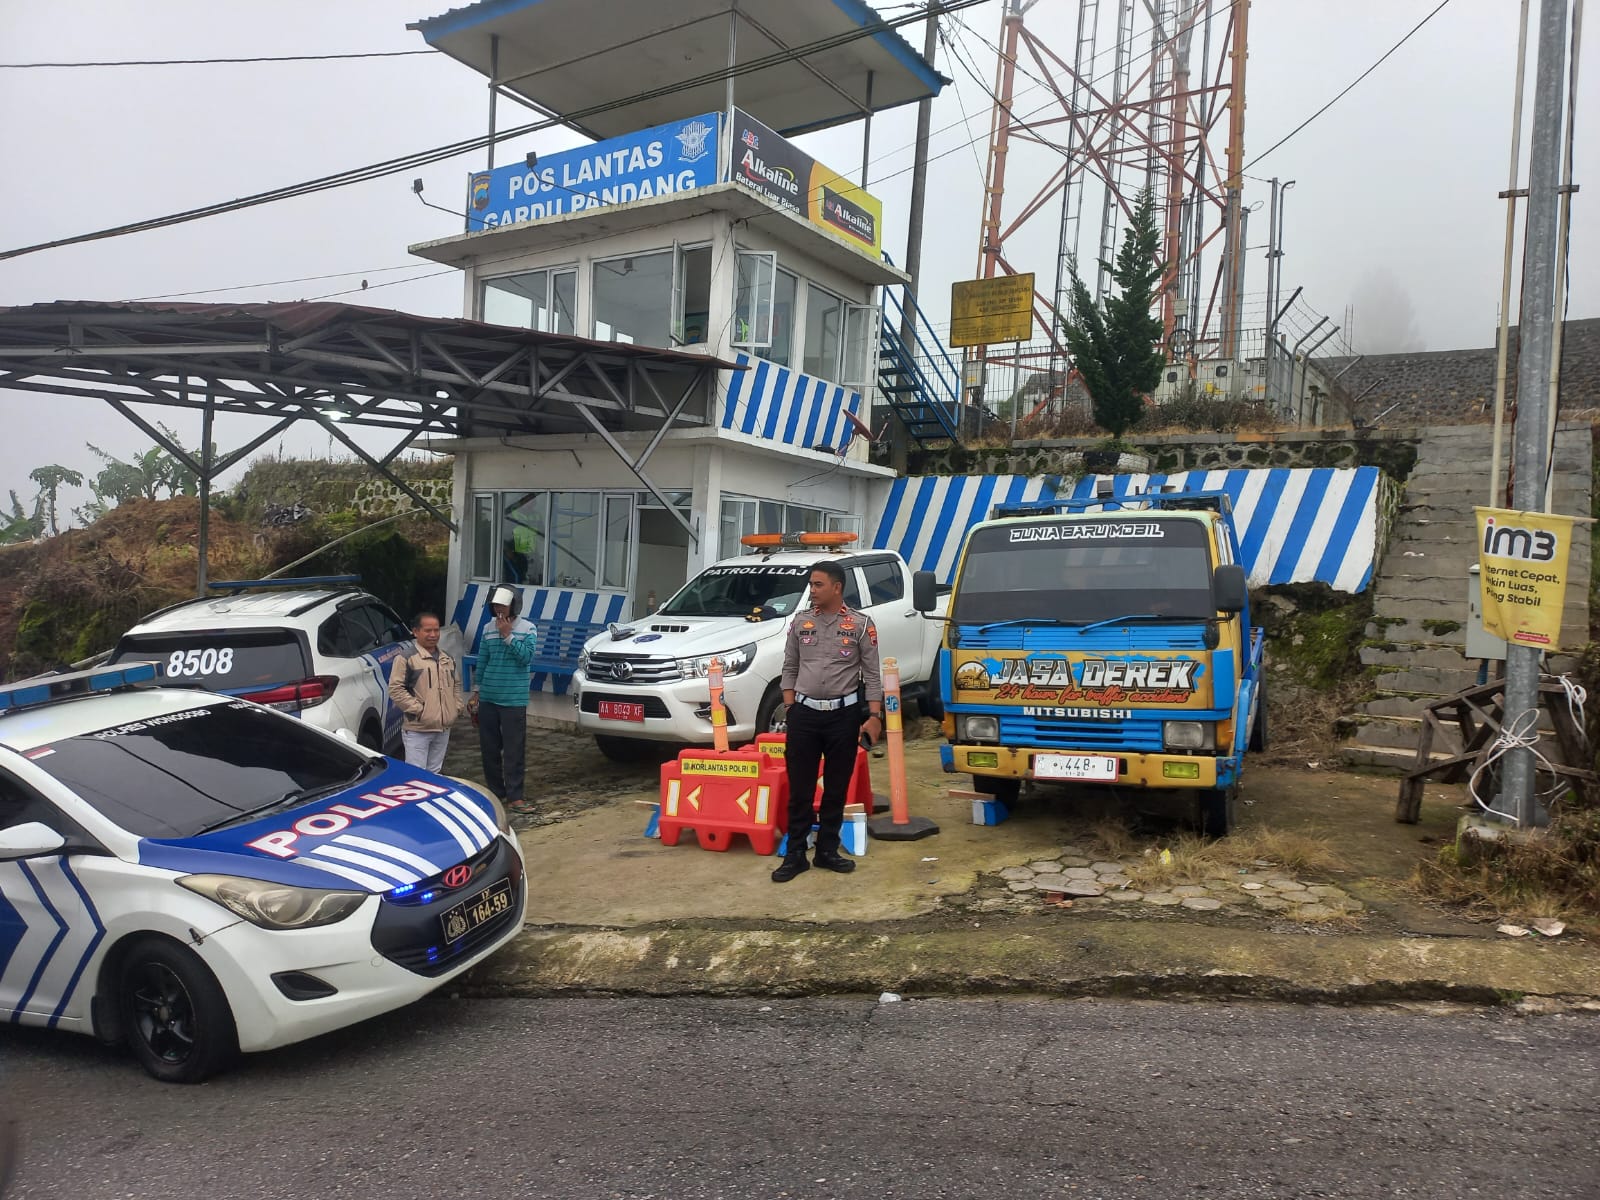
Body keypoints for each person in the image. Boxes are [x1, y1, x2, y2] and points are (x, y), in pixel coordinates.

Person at [771, 560, 883, 883]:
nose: (812, 590)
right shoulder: (801, 622)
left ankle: (827, 851)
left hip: (843, 716)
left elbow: (872, 675)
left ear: (837, 587)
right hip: (804, 715)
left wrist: (874, 717)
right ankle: (795, 855)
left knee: (836, 787)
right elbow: (789, 667)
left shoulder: (861, 625)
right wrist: (791, 707)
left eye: (818, 584)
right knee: (801, 788)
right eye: (811, 585)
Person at [468, 586, 537, 809]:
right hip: (489, 696)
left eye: (503, 605)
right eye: (495, 605)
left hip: (513, 699)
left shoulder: (528, 628)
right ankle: (496, 792)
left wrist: (507, 636)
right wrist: (476, 693)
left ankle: (515, 795)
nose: (499, 609)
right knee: (489, 749)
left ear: (514, 605)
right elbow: (483, 660)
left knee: (514, 749)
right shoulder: (488, 628)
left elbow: (525, 658)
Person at [387, 611, 462, 772]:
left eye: (436, 630)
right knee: (416, 776)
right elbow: (395, 689)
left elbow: (456, 684)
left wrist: (455, 707)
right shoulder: (406, 658)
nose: (433, 635)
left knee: (435, 773)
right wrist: (420, 711)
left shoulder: (447, 658)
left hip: (443, 728)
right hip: (418, 729)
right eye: (428, 630)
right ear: (415, 632)